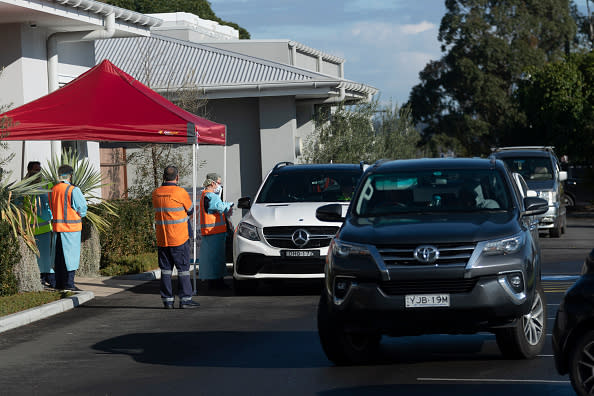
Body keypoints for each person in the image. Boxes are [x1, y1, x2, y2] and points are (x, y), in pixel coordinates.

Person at [152, 165, 199, 309]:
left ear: (163, 177)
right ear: (177, 177)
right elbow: (190, 210)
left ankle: (167, 300)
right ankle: (185, 299)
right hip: (179, 238)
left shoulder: (156, 193)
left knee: (166, 270)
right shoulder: (180, 192)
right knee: (183, 269)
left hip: (163, 238)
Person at [49, 164, 88, 291]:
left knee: (59, 257)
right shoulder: (73, 190)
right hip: (71, 229)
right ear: (70, 175)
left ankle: (59, 284)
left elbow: (50, 208)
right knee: (71, 258)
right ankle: (69, 284)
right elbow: (82, 209)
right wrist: (80, 215)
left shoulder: (53, 189)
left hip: (57, 229)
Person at [198, 172, 233, 290]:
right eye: (218, 183)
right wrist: (229, 204)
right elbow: (220, 207)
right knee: (217, 259)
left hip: (210, 232)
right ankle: (217, 283)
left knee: (212, 259)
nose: (220, 185)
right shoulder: (211, 196)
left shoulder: (204, 194)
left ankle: (214, 282)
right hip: (214, 233)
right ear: (212, 183)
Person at [23, 161, 54, 288]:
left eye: (39, 170)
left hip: (45, 227)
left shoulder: (47, 185)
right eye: (36, 170)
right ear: (29, 171)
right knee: (38, 256)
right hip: (31, 228)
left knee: (46, 256)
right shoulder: (23, 187)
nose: (38, 173)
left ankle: (47, 278)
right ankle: (44, 278)